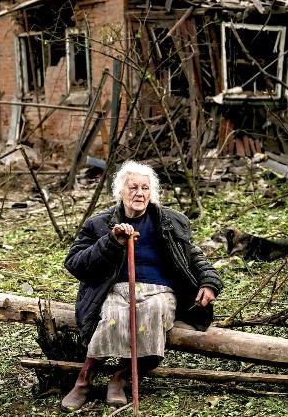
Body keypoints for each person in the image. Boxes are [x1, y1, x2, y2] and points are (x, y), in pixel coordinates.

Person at [61, 160, 223, 410]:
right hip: (116, 289)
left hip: (160, 291)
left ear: (152, 192)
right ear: (120, 192)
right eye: (133, 187)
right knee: (114, 316)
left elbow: (195, 256)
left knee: (151, 313)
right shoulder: (99, 223)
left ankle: (121, 377)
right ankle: (84, 380)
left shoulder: (170, 221)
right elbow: (75, 263)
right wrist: (111, 241)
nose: (139, 193)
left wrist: (209, 282)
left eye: (145, 188)